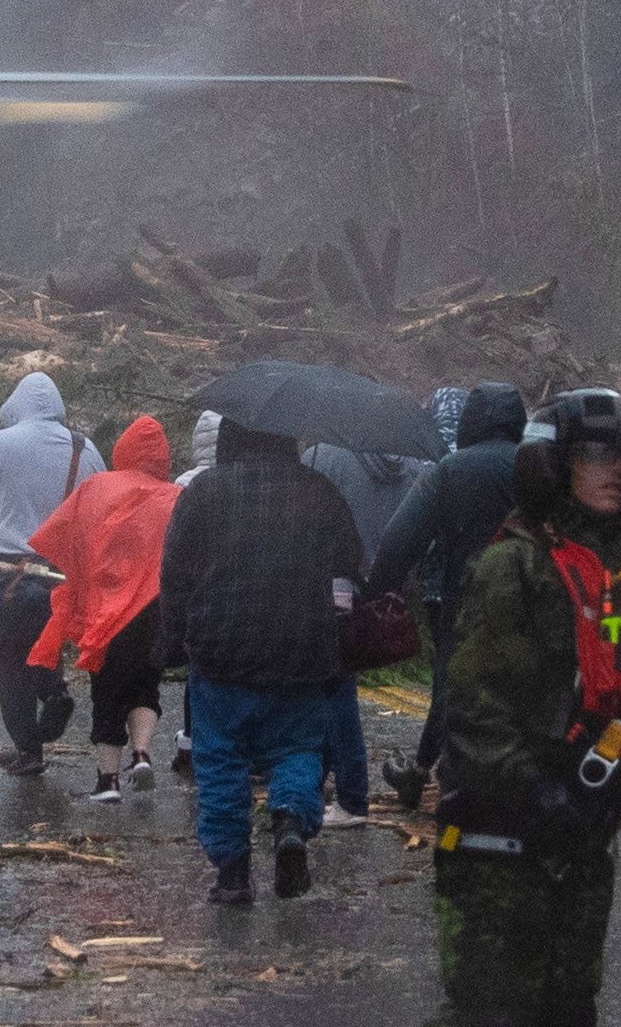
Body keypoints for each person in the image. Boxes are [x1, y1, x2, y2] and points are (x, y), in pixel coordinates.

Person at [342, 388, 621, 1027]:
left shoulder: (617, 578)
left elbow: (616, 701)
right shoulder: (514, 568)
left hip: (579, 844)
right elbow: (474, 716)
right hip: (499, 839)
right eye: (600, 458)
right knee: (486, 1015)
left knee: (563, 1018)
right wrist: (539, 791)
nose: (616, 476)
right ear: (557, 465)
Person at [156, 417, 365, 904]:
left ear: (229, 439)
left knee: (222, 757)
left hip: (220, 649)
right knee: (297, 749)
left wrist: (173, 637)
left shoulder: (204, 493)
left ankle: (232, 874)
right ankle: (290, 819)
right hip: (303, 648)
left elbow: (174, 573)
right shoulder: (319, 491)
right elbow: (351, 561)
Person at [365, 382, 530, 808]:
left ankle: (422, 773)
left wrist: (376, 594)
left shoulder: (450, 471)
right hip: (537, 602)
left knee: (452, 685)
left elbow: (400, 541)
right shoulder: (541, 469)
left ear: (471, 422)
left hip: (465, 601)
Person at [0, 372, 101, 775]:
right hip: (60, 578)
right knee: (44, 641)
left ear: (15, 406)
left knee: (10, 654)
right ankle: (53, 691)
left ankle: (29, 749)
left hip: (6, 577)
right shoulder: (84, 450)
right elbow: (97, 516)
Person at [26, 413, 182, 803]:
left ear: (123, 449)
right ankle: (142, 753)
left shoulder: (98, 487)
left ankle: (108, 780)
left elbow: (65, 535)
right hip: (156, 610)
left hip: (109, 610)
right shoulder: (175, 496)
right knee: (147, 684)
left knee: (108, 690)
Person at [308, 437, 431, 820]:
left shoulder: (324, 458)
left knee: (332, 692)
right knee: (335, 687)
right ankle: (332, 785)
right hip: (378, 587)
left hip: (329, 587)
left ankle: (349, 796)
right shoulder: (409, 462)